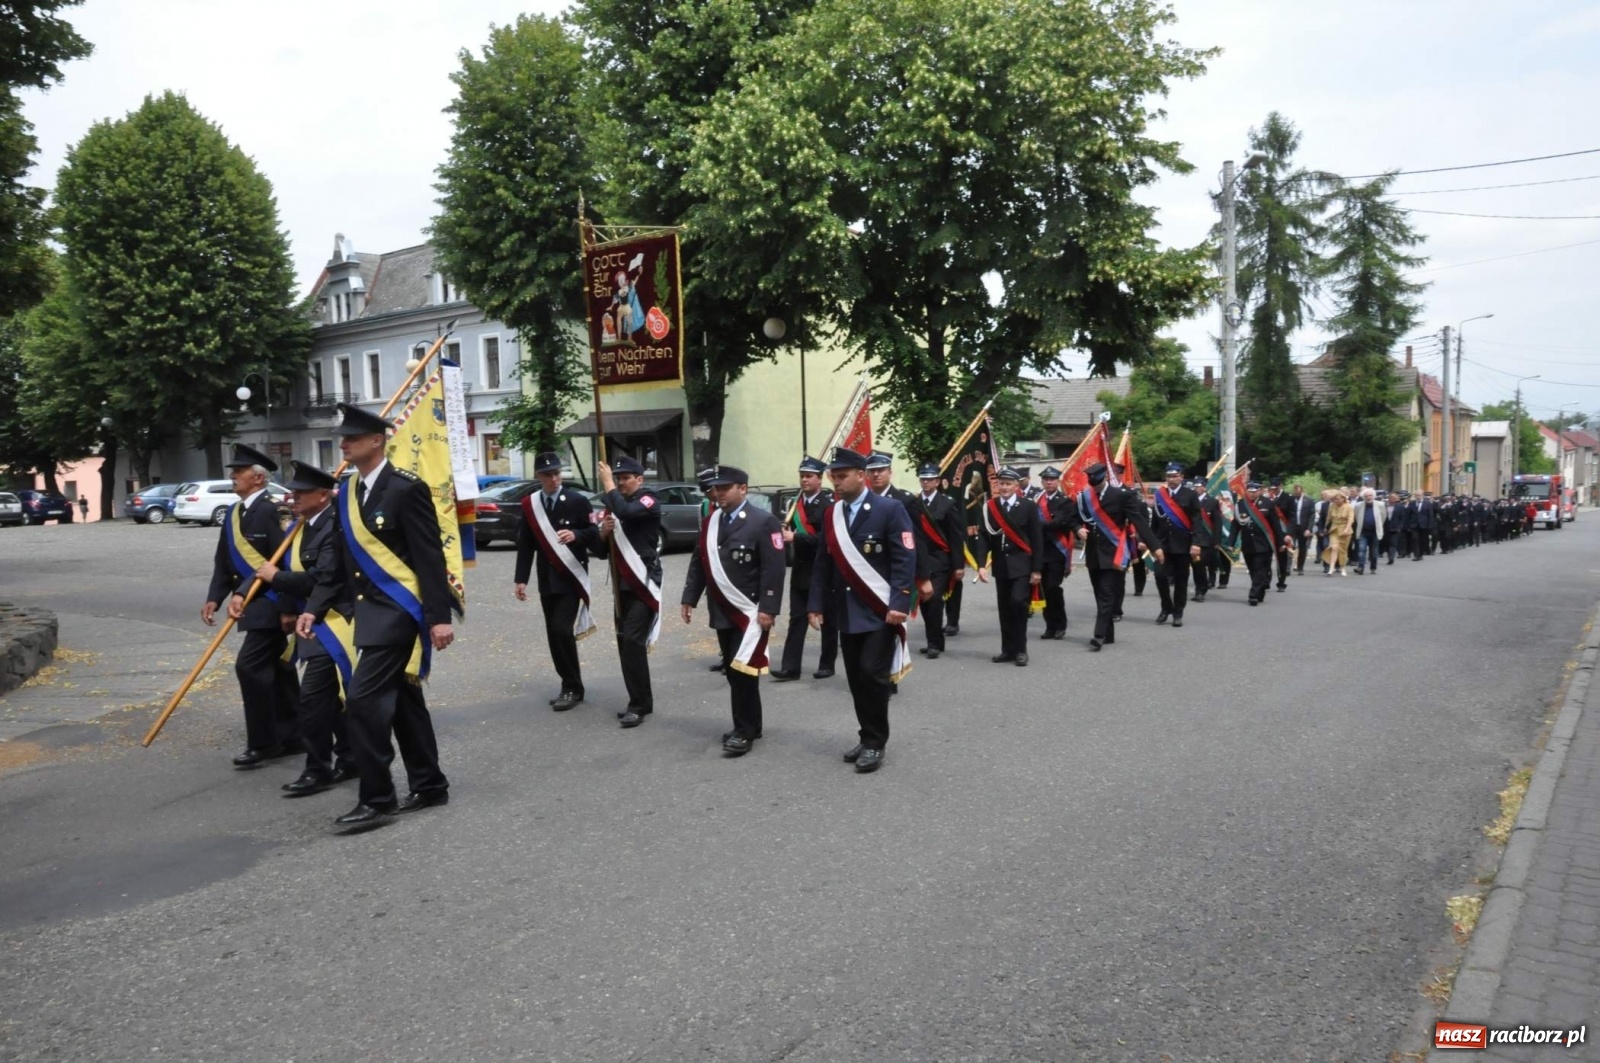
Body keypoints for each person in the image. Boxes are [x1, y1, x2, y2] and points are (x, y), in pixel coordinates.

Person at [313, 403, 455, 833]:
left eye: (352, 438)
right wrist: (313, 607)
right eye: (343, 439)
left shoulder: (406, 488)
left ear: (377, 441)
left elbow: (429, 556)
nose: (344, 444)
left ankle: (377, 799)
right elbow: (340, 560)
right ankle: (429, 784)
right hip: (368, 612)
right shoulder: (348, 492)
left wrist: (439, 617)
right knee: (405, 704)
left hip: (398, 612)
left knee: (361, 701)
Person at [248, 460, 356, 796]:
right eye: (293, 492)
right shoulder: (299, 527)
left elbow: (320, 578)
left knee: (313, 697)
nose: (293, 498)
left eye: (301, 493)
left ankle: (317, 769)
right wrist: (284, 606)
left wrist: (277, 579)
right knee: (328, 699)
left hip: (335, 623)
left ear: (323, 495)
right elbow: (284, 564)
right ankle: (350, 756)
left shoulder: (333, 528)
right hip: (310, 622)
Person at [807, 447, 916, 773]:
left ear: (861, 475)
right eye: (834, 477)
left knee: (872, 673)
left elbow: (904, 558)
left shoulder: (890, 509)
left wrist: (900, 602)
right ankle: (866, 734)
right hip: (845, 611)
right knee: (856, 678)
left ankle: (876, 742)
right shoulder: (832, 514)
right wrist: (815, 604)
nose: (837, 483)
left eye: (842, 476)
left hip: (879, 610)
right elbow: (822, 563)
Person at [203, 443, 300, 769]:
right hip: (249, 603)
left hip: (270, 602)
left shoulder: (276, 510)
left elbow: (286, 561)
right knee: (279, 670)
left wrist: (288, 607)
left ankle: (263, 742)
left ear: (258, 478)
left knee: (249, 667)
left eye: (239, 471)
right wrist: (214, 597)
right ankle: (294, 735)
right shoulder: (234, 513)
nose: (233, 476)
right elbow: (224, 561)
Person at [681, 464, 785, 757]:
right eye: (716, 488)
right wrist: (689, 597)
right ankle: (750, 723)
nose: (718, 493)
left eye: (725, 488)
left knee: (743, 671)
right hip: (721, 608)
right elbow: (700, 560)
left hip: (749, 611)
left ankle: (744, 730)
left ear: (743, 488)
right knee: (732, 669)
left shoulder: (763, 521)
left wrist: (769, 607)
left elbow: (773, 569)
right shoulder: (712, 521)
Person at [514, 451, 600, 711]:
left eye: (557, 473)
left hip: (570, 576)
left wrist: (576, 535)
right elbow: (526, 544)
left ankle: (574, 687)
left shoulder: (577, 501)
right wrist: (521, 579)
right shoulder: (531, 504)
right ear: (538, 476)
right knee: (553, 634)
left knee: (562, 630)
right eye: (548, 475)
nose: (554, 479)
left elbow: (593, 533)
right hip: (547, 579)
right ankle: (568, 684)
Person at [596, 454, 662, 729]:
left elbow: (628, 513)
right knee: (625, 643)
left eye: (626, 478)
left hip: (643, 584)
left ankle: (639, 706)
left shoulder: (648, 500)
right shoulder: (614, 506)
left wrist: (607, 483)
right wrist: (603, 532)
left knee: (634, 641)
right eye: (618, 478)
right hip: (621, 584)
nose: (621, 483)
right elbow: (600, 551)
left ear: (640, 479)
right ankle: (640, 699)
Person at [1077, 462, 1160, 650]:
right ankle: (1109, 634)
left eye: (1097, 481)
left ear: (1105, 477)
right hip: (1093, 553)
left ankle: (1098, 636)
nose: (1094, 485)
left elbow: (1139, 521)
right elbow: (1074, 519)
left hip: (1114, 552)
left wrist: (1155, 546)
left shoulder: (1122, 496)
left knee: (1106, 594)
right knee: (1099, 594)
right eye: (1092, 482)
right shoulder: (1084, 497)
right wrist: (1077, 529)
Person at [772, 456, 838, 681]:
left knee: (828, 619)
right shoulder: (794, 504)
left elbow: (827, 540)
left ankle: (827, 664)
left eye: (809, 476)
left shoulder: (829, 506)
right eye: (802, 476)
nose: (804, 480)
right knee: (797, 619)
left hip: (823, 570)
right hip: (801, 570)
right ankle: (790, 667)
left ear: (820, 479)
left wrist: (796, 537)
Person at [974, 467, 1043, 665]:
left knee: (1018, 603)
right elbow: (983, 537)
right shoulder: (990, 507)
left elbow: (1037, 539)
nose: (1004, 487)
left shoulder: (1028, 506)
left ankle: (1021, 649)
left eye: (1008, 484)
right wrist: (981, 565)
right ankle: (1008, 650)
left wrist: (1037, 569)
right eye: (1001, 484)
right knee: (1004, 608)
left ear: (1016, 485)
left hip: (1022, 566)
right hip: (1001, 566)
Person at [912, 462, 966, 657]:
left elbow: (955, 536)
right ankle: (934, 641)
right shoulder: (914, 503)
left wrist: (958, 565)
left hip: (940, 560)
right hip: (920, 560)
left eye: (930, 479)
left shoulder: (947, 504)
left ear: (937, 482)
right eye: (923, 479)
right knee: (924, 603)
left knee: (934, 599)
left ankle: (935, 643)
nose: (926, 483)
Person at [1151, 462, 1210, 628]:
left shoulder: (1189, 495)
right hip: (1163, 544)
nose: (1171, 479)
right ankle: (1166, 607)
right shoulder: (1160, 495)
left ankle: (1178, 612)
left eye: (1174, 476)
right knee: (1160, 576)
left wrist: (1196, 543)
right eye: (1168, 476)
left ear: (1181, 477)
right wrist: (1148, 541)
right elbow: (1155, 521)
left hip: (1182, 545)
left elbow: (1197, 521)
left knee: (1180, 580)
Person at [1035, 466, 1079, 638]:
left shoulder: (1065, 501)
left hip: (1056, 551)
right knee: (1044, 589)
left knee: (1053, 588)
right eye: (1046, 479)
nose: (1049, 482)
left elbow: (1060, 523)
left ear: (1058, 481)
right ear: (1042, 482)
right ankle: (1050, 626)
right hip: (1040, 551)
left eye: (1052, 479)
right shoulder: (1037, 500)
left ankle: (1060, 624)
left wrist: (1037, 525)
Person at [1236, 480, 1282, 604]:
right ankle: (1259, 590)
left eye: (1254, 491)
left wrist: (1281, 542)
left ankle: (1254, 595)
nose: (1251, 494)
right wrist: (1230, 542)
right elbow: (1236, 524)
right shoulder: (1241, 504)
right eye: (1249, 491)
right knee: (1252, 569)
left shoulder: (1268, 504)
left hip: (1264, 543)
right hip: (1248, 543)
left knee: (1259, 568)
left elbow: (1275, 525)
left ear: (1260, 491)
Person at [1351, 487, 1385, 575]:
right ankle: (1360, 567)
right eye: (1366, 496)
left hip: (1375, 532)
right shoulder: (1359, 505)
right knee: (1361, 550)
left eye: (1370, 495)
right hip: (1363, 531)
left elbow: (1383, 517)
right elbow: (1356, 517)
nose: (1368, 497)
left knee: (1374, 551)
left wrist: (1378, 525)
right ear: (1363, 497)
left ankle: (1373, 567)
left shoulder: (1380, 505)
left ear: (1373, 496)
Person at [1321, 489, 1354, 576]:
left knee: (1343, 550)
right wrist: (1325, 527)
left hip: (1345, 530)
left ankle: (1342, 567)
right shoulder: (1332, 506)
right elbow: (1328, 518)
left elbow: (1350, 519)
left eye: (1338, 499)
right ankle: (1331, 568)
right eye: (1335, 499)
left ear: (1343, 499)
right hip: (1334, 529)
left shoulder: (1348, 507)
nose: (1336, 501)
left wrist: (1347, 529)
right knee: (1334, 547)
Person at [1285, 483, 1315, 574]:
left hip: (1303, 527)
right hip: (1292, 527)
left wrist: (1309, 529)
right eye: (1295, 492)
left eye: (1298, 491)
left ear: (1302, 491)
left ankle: (1300, 567)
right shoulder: (1290, 500)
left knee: (1302, 548)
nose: (1297, 493)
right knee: (1290, 546)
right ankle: (1287, 568)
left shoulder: (1309, 501)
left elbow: (1312, 516)